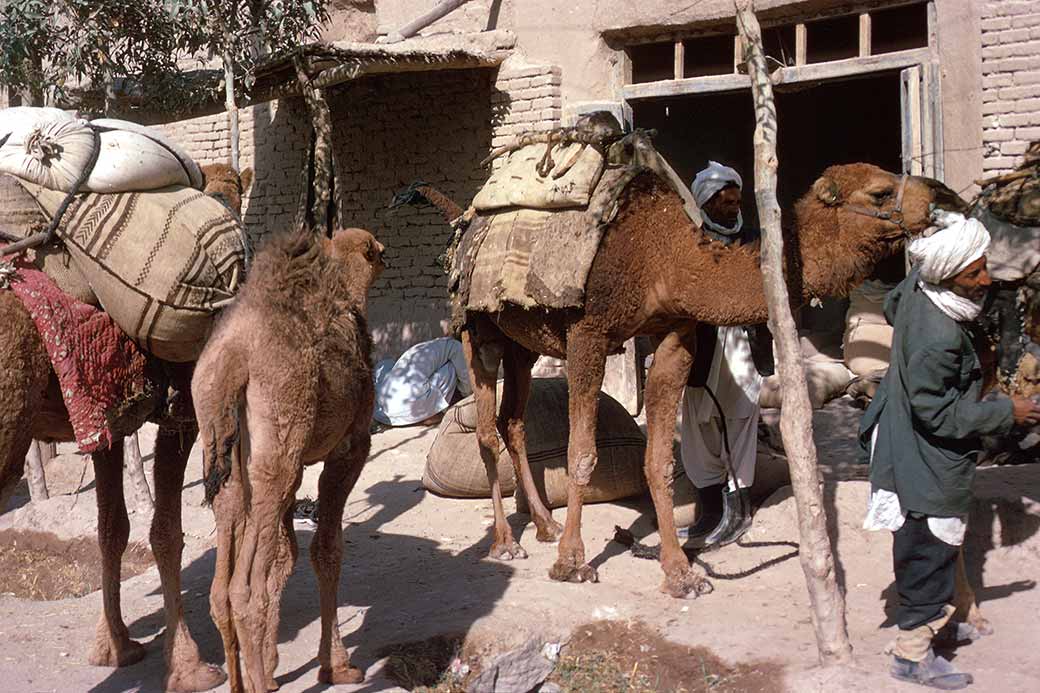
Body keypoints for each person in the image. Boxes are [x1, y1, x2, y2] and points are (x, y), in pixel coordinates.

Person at [860, 212, 1040, 690]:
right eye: (973, 274)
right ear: (948, 275)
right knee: (926, 550)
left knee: (939, 545)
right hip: (920, 454)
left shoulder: (920, 288)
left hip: (910, 436)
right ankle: (910, 655)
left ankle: (941, 620)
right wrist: (1009, 413)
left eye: (983, 266)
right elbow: (937, 415)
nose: (984, 279)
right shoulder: (939, 337)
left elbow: (895, 300)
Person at [678, 161, 770, 547]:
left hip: (742, 343)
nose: (733, 207)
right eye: (725, 202)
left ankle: (738, 507)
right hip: (703, 346)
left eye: (736, 201)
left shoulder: (754, 239)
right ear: (706, 203)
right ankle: (710, 509)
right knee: (699, 424)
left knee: (742, 417)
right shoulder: (692, 240)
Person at [372, 336, 472, 427]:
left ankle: (421, 417)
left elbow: (383, 365)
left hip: (388, 414)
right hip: (416, 401)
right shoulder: (452, 344)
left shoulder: (411, 354)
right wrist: (468, 393)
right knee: (455, 364)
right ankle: (433, 412)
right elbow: (456, 349)